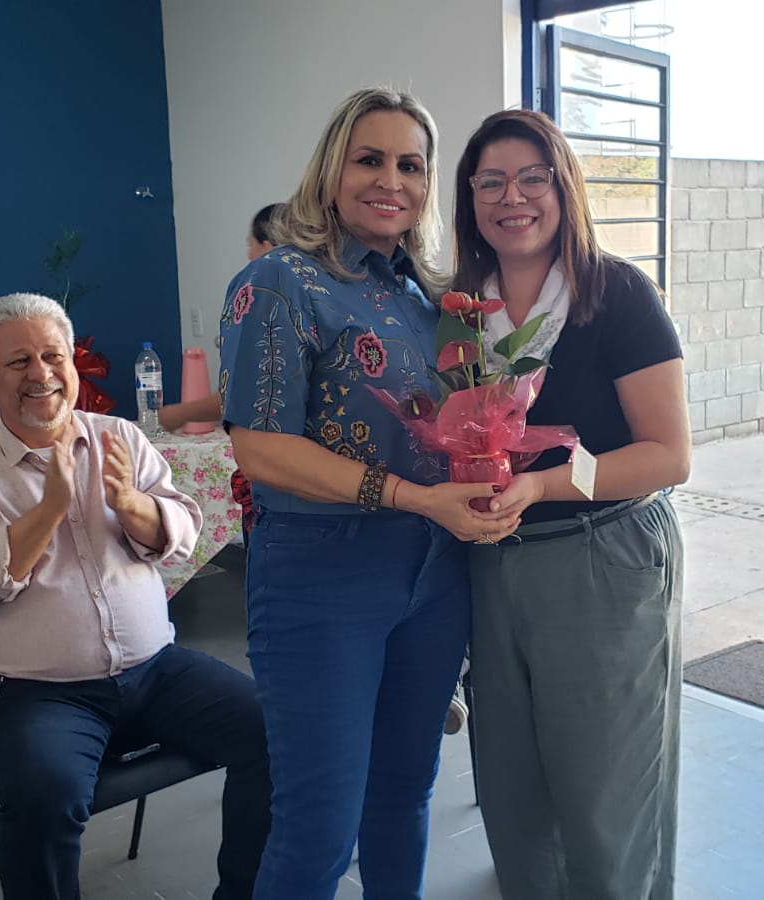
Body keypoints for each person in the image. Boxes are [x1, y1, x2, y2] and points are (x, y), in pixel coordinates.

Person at [218, 87, 510, 900]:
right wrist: (414, 498)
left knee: (404, 793)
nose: (391, 181)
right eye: (369, 159)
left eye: (410, 165)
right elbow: (260, 447)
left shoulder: (430, 296)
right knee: (319, 826)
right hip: (321, 581)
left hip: (433, 577)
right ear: (331, 169)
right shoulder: (278, 281)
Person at [0, 292, 271, 900]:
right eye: (19, 361)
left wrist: (132, 504)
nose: (41, 373)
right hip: (35, 693)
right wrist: (49, 509)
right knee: (46, 795)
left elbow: (183, 530)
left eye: (53, 355)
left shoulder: (121, 438)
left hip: (155, 670)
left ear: (73, 364)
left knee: (274, 734)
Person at [453, 109, 691, 900]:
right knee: (514, 793)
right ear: (469, 198)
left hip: (602, 557)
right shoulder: (460, 308)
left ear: (564, 188)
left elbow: (668, 456)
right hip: (492, 567)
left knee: (605, 798)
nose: (512, 197)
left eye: (533, 178)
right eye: (490, 181)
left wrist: (544, 484)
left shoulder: (615, 295)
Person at [159, 202, 288, 538]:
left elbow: (245, 395)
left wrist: (177, 414)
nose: (248, 255)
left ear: (268, 247)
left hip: (277, 476)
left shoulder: (264, 301)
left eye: (250, 245)